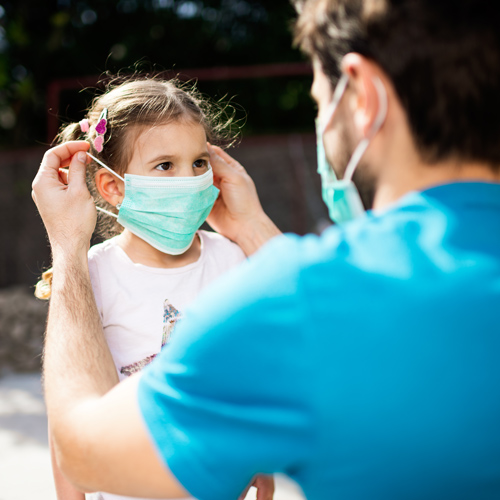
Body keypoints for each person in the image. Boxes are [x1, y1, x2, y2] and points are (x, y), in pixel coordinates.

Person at [32, 0, 500, 499]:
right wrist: (253, 227)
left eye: (319, 96)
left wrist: (66, 245)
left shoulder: (299, 299)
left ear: (364, 95)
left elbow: (82, 446)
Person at [34, 78, 274, 500]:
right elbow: (67, 409)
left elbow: (251, 375)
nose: (191, 179)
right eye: (165, 165)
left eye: (200, 162)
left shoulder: (233, 258)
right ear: (114, 186)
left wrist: (259, 461)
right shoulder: (90, 275)